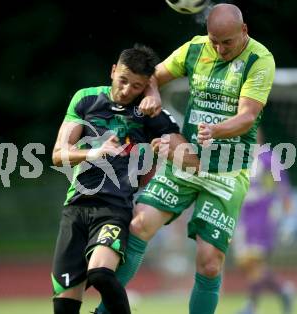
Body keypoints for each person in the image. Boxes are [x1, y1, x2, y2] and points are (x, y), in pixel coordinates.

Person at [95, 3, 276, 314]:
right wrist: (152, 93)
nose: (219, 49)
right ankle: (105, 312)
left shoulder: (260, 60)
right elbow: (152, 75)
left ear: (244, 31)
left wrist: (216, 130)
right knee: (139, 224)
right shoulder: (195, 48)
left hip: (227, 171)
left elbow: (247, 116)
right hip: (186, 159)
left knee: (209, 264)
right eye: (214, 41)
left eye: (227, 42)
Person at [50, 44, 191, 314]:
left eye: (137, 86)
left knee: (101, 274)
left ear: (146, 86)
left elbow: (188, 159)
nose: (127, 90)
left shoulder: (150, 114)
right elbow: (59, 155)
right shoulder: (87, 98)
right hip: (76, 208)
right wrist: (95, 152)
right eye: (123, 80)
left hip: (114, 209)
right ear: (113, 71)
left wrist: (165, 153)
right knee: (64, 308)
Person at [232, 129, 294, 314]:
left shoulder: (268, 157)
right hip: (242, 216)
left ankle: (252, 306)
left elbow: (283, 186)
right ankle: (283, 290)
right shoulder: (237, 157)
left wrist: (289, 217)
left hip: (262, 215)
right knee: (247, 264)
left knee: (254, 261)